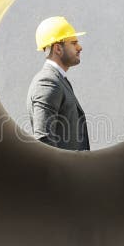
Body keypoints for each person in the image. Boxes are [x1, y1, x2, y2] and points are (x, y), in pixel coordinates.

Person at [26, 16, 90, 151]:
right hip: (61, 165)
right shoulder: (48, 82)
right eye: (74, 43)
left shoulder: (58, 79)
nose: (80, 47)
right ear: (58, 49)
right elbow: (44, 140)